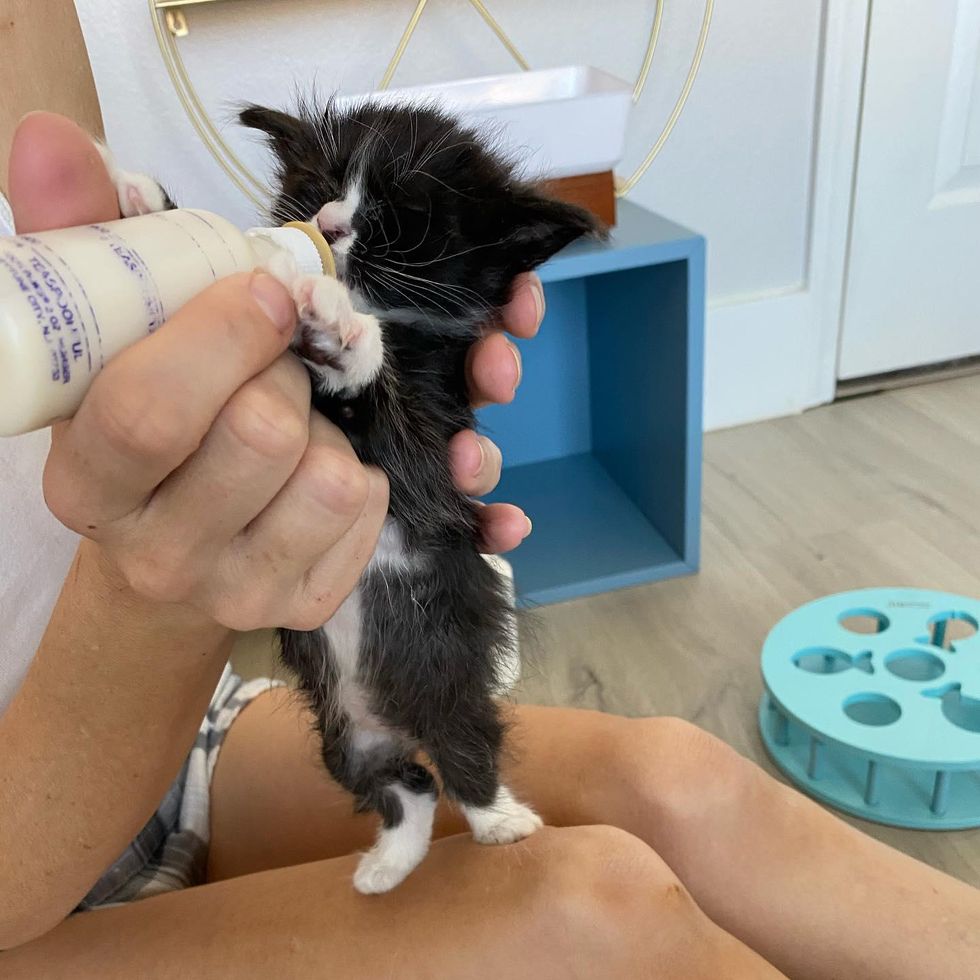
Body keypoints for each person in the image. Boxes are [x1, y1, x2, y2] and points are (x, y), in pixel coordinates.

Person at [0, 112, 978, 980]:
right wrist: (160, 592)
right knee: (594, 909)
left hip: (178, 736)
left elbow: (111, 295)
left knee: (681, 780)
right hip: (25, 868)